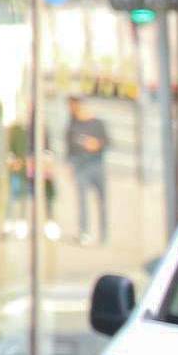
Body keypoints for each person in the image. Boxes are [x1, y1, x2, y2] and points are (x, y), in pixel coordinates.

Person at [65, 96, 110, 244]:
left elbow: (107, 141)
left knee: (102, 200)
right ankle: (84, 232)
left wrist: (96, 144)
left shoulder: (97, 123)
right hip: (80, 165)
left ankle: (104, 234)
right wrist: (70, 165)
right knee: (82, 200)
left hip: (96, 163)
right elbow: (69, 147)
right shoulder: (72, 125)